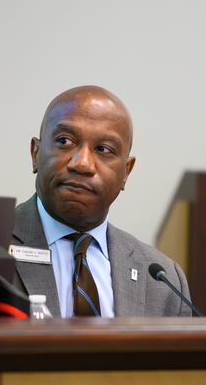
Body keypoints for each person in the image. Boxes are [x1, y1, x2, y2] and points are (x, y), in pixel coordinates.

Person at [11, 85, 192, 317]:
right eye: (65, 141)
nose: (83, 164)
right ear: (35, 153)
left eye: (103, 149)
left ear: (126, 171)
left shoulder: (162, 280)